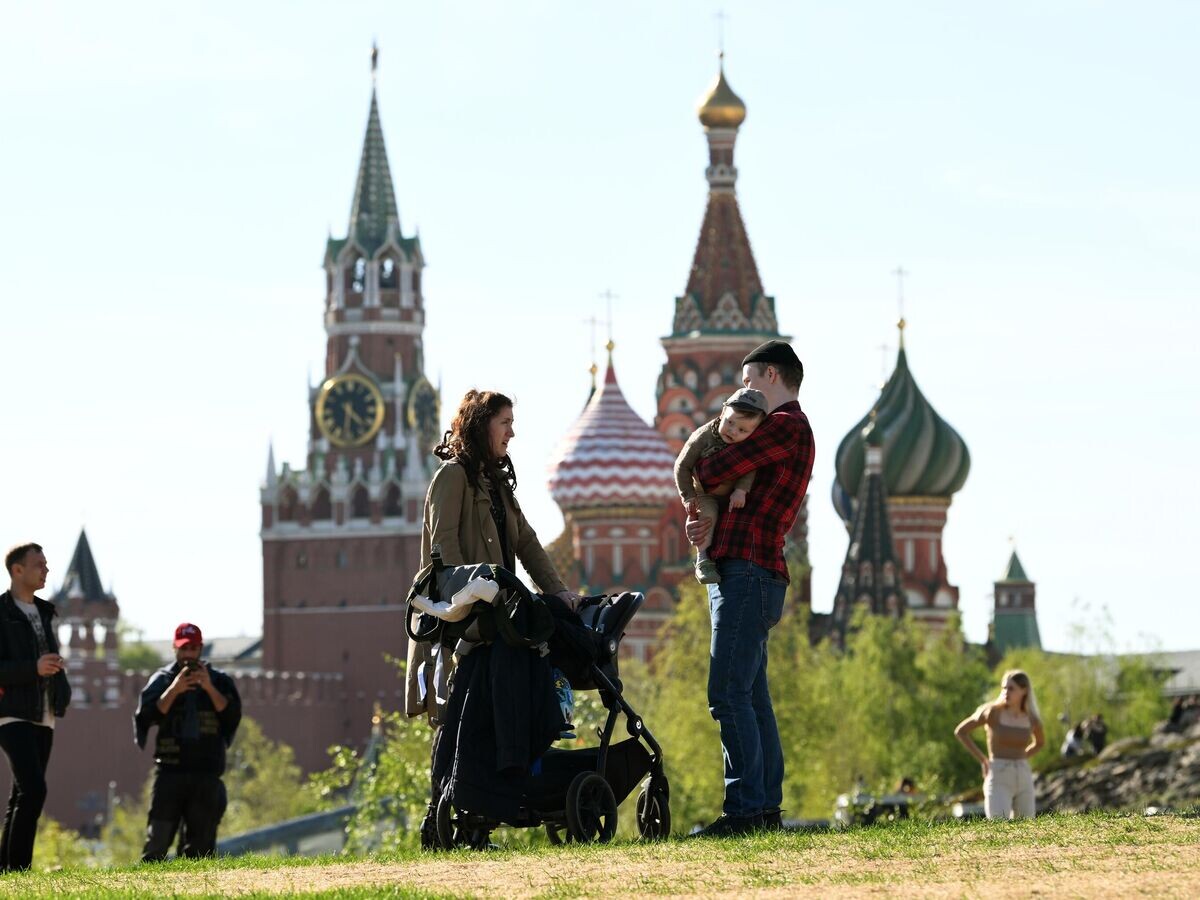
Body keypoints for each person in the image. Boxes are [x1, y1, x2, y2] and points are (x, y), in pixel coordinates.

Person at [684, 340, 815, 836]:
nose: (743, 392)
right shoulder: (783, 430)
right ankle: (763, 808)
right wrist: (707, 521)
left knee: (728, 692)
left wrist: (711, 473)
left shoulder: (785, 426)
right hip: (747, 568)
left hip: (748, 570)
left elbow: (712, 467)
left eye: (749, 380)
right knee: (752, 696)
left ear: (772, 376)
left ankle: (743, 810)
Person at [405, 389, 586, 723]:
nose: (512, 433)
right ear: (481, 425)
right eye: (505, 422)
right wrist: (474, 601)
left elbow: (528, 544)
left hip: (499, 619)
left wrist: (558, 592)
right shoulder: (452, 476)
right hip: (465, 628)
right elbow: (443, 553)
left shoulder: (497, 485)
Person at [134, 622, 241, 861]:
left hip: (206, 773)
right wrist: (174, 689)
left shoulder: (220, 681)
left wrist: (209, 687)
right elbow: (147, 715)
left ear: (201, 649)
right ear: (175, 648)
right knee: (157, 844)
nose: (189, 655)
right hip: (170, 771)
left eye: (193, 649)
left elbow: (232, 715)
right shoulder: (162, 680)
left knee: (200, 851)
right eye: (184, 649)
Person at [0, 543, 71, 872]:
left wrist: (60, 683)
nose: (46, 570)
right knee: (34, 789)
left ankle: (6, 870)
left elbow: (48, 657)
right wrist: (34, 668)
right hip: (11, 713)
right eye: (39, 564)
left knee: (21, 793)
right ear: (17, 570)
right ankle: (19, 870)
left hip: (45, 714)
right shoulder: (2, 613)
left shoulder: (45, 611)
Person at [673, 388, 769, 584]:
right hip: (705, 494)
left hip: (731, 493)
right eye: (730, 422)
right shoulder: (702, 437)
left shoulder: (747, 446)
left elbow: (750, 467)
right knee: (707, 517)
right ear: (723, 411)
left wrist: (741, 490)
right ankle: (703, 560)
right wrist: (688, 496)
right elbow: (682, 466)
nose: (733, 432)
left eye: (742, 430)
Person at [954, 669, 1045, 819]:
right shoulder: (992, 713)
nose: (1005, 692)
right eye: (1004, 688)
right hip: (998, 773)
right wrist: (983, 759)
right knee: (998, 825)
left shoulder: (1031, 718)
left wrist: (1022, 756)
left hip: (1023, 774)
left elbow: (1040, 743)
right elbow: (961, 731)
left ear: (1024, 691)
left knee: (1027, 828)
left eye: (1011, 688)